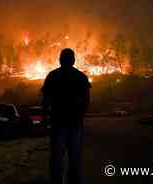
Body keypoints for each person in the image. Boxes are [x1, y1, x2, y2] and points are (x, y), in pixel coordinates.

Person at [41, 48, 91, 184]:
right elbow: (86, 101)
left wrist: (46, 119)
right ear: (73, 60)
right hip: (75, 124)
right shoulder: (81, 77)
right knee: (75, 160)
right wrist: (80, 115)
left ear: (60, 59)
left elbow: (45, 101)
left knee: (57, 160)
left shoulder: (52, 76)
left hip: (58, 124)